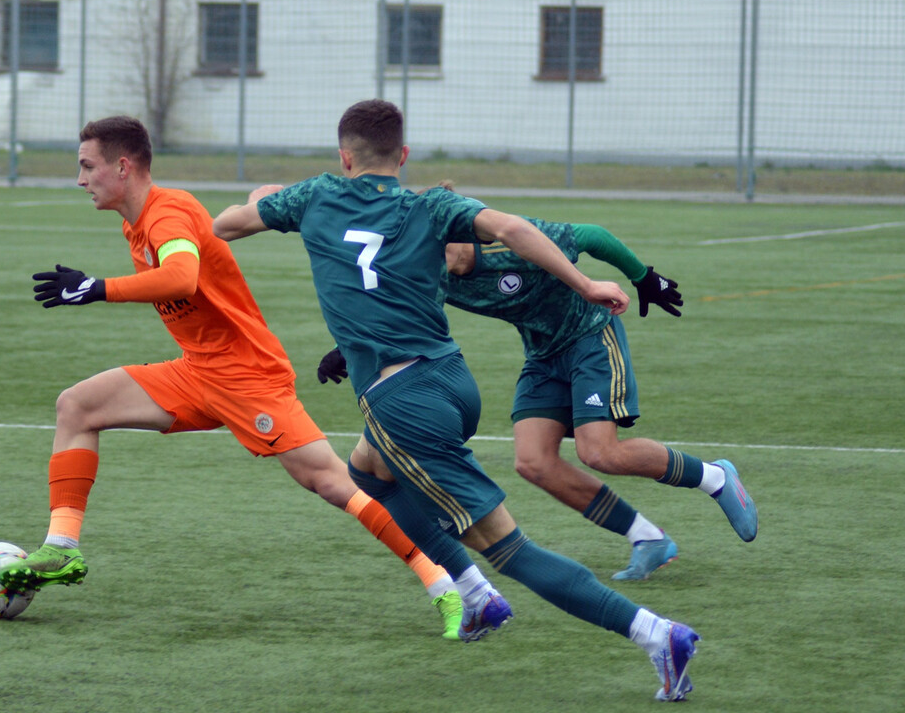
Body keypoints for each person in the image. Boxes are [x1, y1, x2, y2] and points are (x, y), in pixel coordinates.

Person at [213, 99, 703, 701]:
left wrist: (267, 195)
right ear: (405, 156)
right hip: (452, 381)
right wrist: (586, 281)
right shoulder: (429, 204)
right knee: (368, 473)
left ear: (344, 157)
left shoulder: (314, 196)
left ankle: (657, 634)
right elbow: (515, 230)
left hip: (401, 401)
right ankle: (473, 598)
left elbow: (224, 225)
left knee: (509, 547)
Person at [0, 115, 465, 641]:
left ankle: (443, 583)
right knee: (78, 406)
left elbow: (180, 276)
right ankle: (61, 550)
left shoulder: (167, 212)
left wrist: (93, 288)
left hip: (248, 376)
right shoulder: (138, 220)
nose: (81, 179)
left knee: (331, 482)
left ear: (121, 167)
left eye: (88, 166)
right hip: (198, 371)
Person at [316, 182, 758, 581]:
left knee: (599, 452)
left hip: (590, 336)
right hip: (542, 353)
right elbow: (401, 316)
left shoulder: (511, 242)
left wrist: (644, 277)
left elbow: (591, 236)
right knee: (533, 463)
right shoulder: (435, 273)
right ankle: (648, 539)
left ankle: (715, 478)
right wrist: (344, 350)